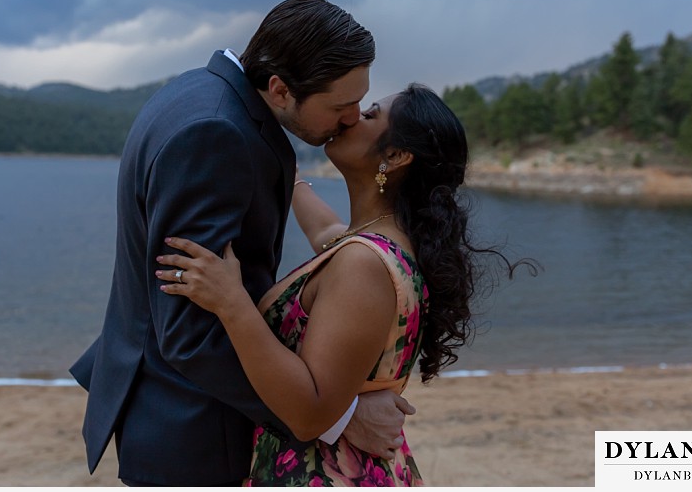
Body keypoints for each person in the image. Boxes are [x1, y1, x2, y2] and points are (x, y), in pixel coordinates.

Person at [69, 0, 415, 487]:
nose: (351, 117)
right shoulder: (215, 134)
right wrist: (333, 417)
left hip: (180, 414)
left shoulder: (200, 94)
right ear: (279, 89)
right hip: (194, 428)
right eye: (341, 105)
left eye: (362, 102)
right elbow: (190, 330)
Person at [158, 83, 534, 485]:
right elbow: (324, 228)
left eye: (370, 114)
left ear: (395, 156)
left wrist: (231, 303)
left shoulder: (362, 264)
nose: (353, 117)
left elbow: (309, 414)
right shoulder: (380, 243)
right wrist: (284, 170)